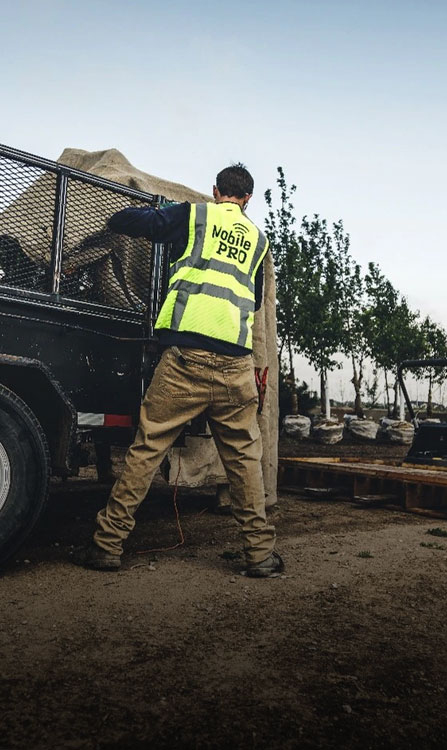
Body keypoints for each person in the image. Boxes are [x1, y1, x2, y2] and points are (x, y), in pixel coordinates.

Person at [75, 163, 283, 578]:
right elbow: (255, 300)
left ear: (215, 191)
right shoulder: (259, 241)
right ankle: (260, 554)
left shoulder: (195, 215)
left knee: (147, 449)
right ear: (248, 199)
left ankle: (107, 545)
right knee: (244, 461)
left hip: (186, 360)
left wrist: (118, 215)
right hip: (236, 366)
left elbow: (138, 222)